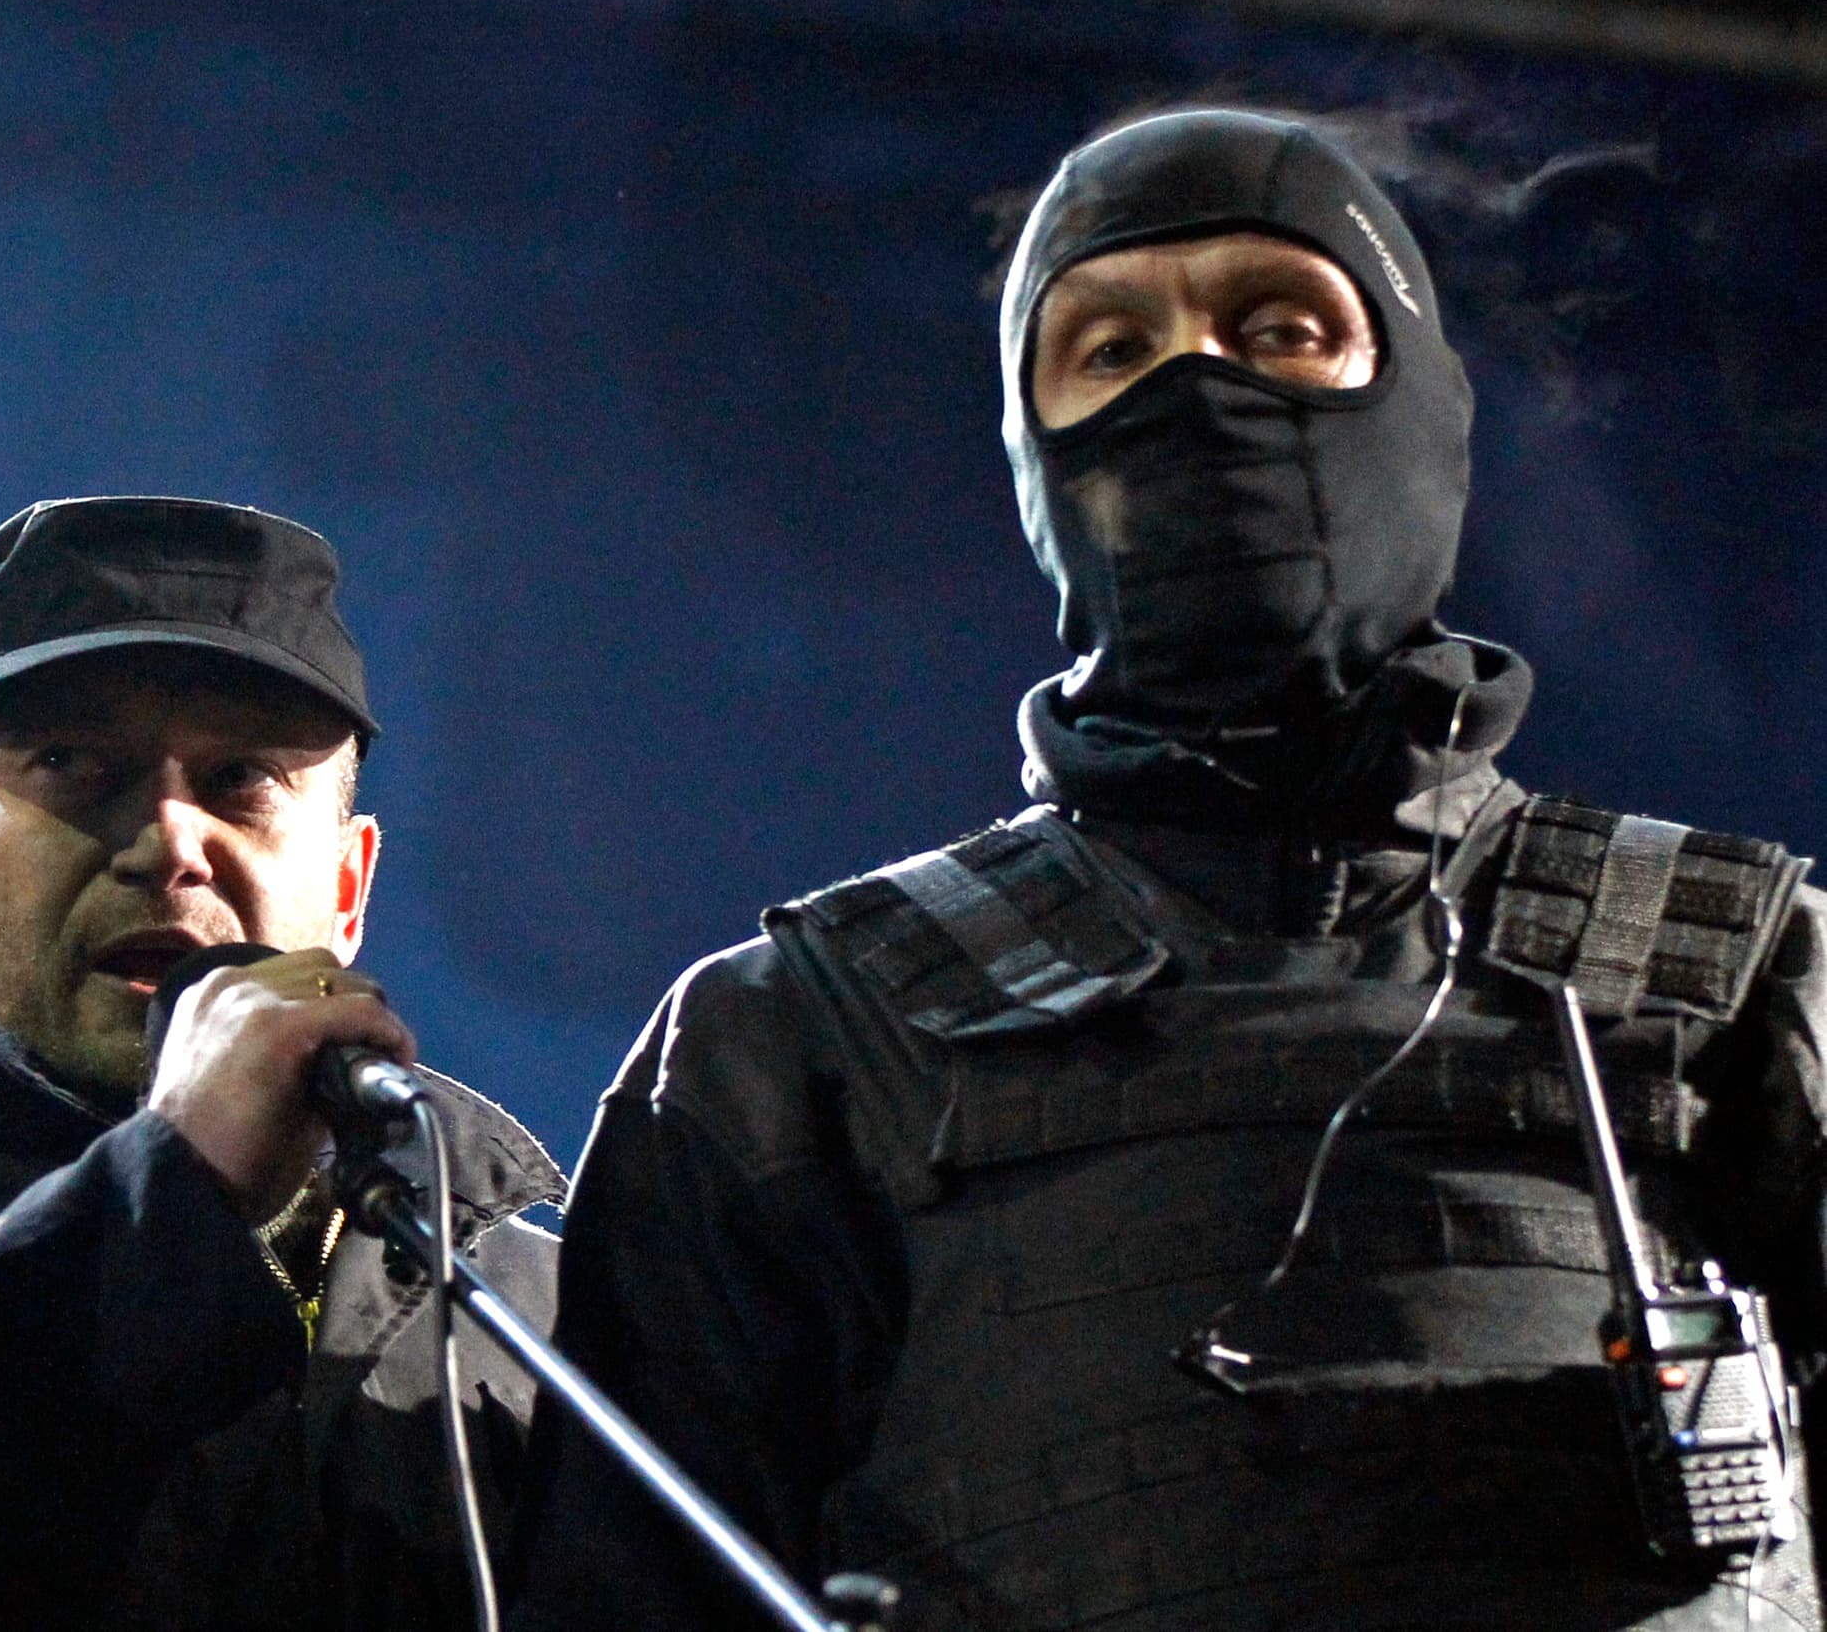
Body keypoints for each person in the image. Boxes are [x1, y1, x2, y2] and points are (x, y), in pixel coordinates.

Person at [513, 107, 1827, 1631]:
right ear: (1037, 462)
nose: (1197, 388)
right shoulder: (793, 1040)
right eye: (1114, 350)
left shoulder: (1758, 974)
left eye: (1281, 327)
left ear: (1418, 408)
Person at [0, 495, 563, 1632]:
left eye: (242, 778)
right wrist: (174, 1190)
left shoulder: (550, 1320)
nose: (169, 839)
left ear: (349, 887)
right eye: (72, 762)